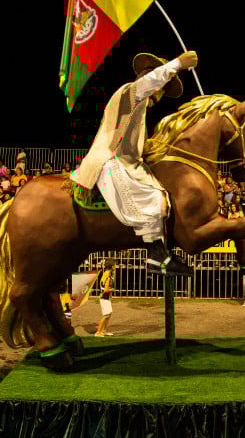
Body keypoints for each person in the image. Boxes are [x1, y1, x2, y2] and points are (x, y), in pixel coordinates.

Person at [69, 51, 199, 277]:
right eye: (162, 89)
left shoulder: (136, 109)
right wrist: (178, 63)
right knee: (152, 196)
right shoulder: (131, 91)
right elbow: (149, 83)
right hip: (110, 161)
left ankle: (160, 252)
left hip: (127, 162)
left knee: (160, 193)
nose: (159, 96)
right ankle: (155, 255)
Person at [95, 259, 116, 337]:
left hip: (106, 297)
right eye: (114, 265)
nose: (115, 266)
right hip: (104, 297)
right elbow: (106, 289)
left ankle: (103, 331)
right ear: (112, 266)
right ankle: (98, 332)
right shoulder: (108, 276)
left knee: (109, 313)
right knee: (106, 314)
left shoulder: (107, 273)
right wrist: (112, 289)